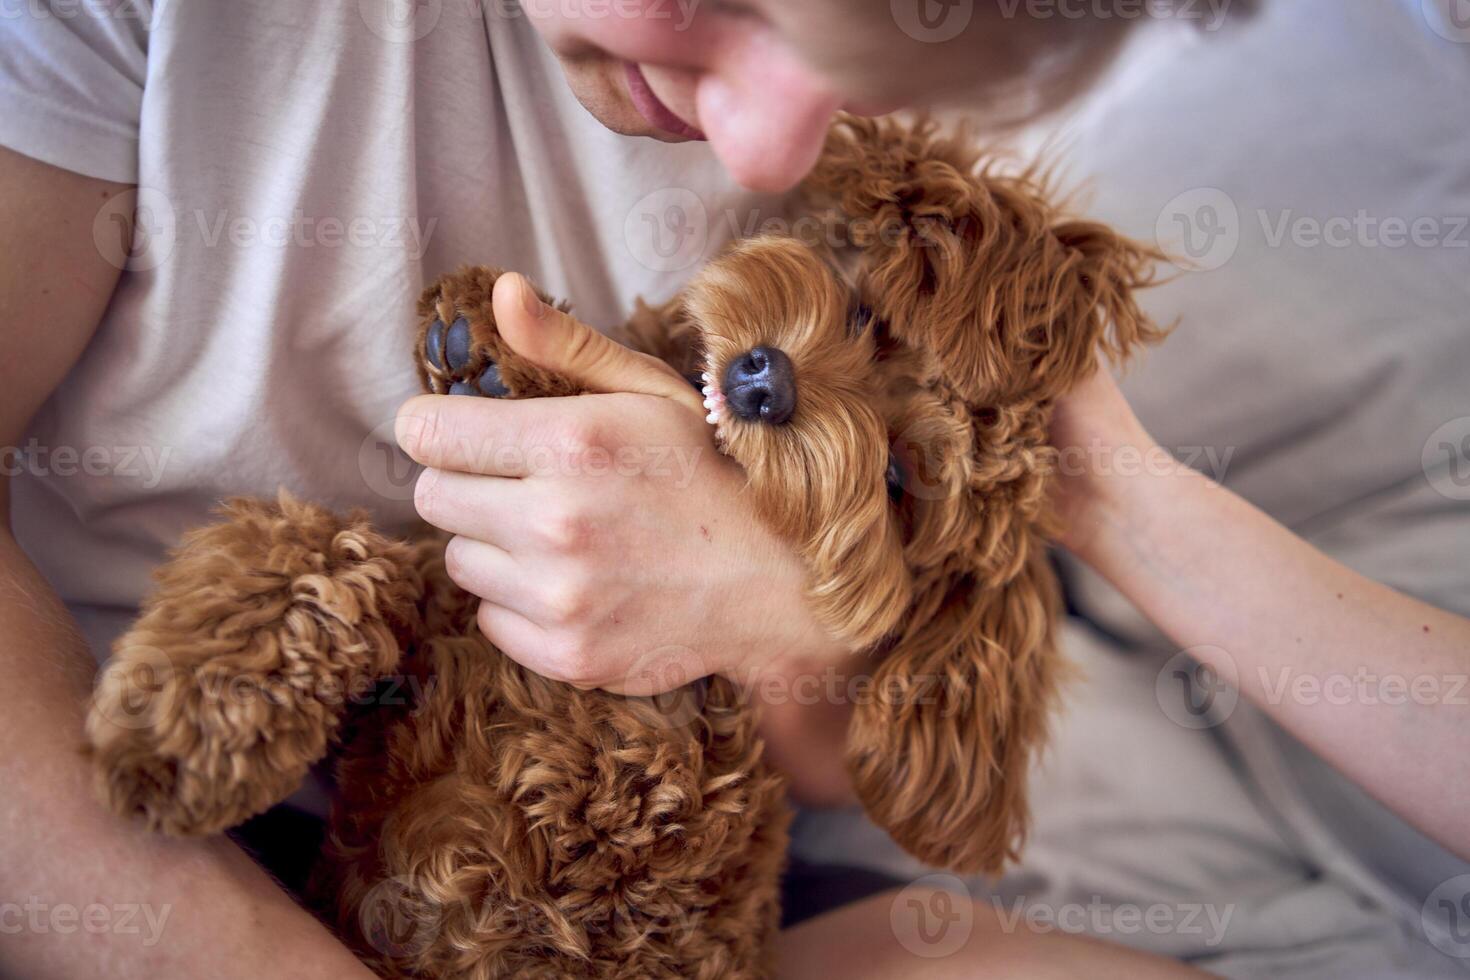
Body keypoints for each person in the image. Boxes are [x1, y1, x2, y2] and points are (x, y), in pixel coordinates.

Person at [1, 1, 1463, 977]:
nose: (765, 145)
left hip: (704, 883)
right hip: (164, 811)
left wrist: (785, 628)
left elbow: (857, 764)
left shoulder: (932, 156)